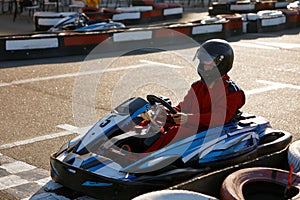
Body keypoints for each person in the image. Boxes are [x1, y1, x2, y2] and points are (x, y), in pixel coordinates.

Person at [145, 39, 246, 153]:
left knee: (176, 133)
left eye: (207, 62)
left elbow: (219, 117)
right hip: (192, 125)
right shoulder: (197, 86)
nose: (203, 66)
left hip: (211, 131)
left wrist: (188, 118)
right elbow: (183, 107)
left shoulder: (233, 92)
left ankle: (141, 161)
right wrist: (164, 112)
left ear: (221, 63)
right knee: (151, 122)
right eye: (202, 62)